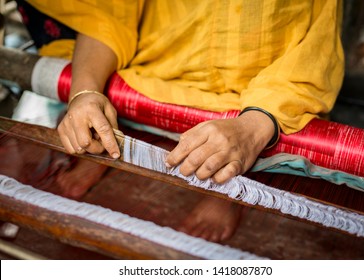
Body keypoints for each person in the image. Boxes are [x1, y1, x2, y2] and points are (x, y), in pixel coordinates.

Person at [17, 0, 344, 242]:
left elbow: (313, 50)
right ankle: (113, 142)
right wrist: (85, 92)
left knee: (238, 148)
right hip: (150, 78)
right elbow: (109, 16)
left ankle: (227, 187)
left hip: (250, 98)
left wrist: (253, 127)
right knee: (107, 102)